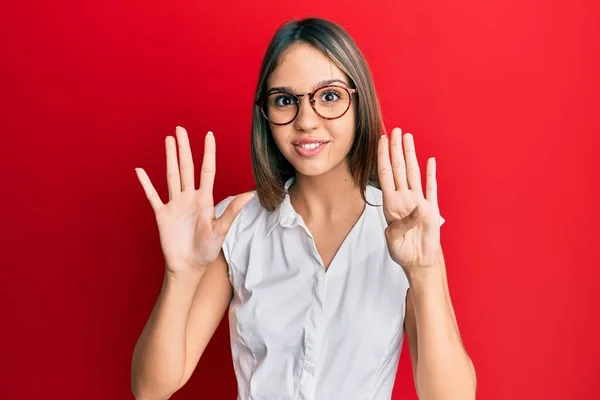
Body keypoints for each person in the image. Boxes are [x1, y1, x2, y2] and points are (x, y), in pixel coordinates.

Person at [131, 17, 476, 400]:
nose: (306, 121)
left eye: (328, 96)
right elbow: (151, 390)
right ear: (266, 114)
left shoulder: (407, 227)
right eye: (284, 100)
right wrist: (180, 276)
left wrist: (425, 272)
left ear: (358, 99)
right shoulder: (235, 226)